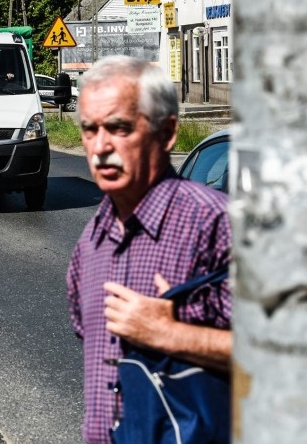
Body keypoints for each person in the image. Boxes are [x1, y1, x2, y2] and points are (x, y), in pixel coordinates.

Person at [66, 55, 232, 444]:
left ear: (167, 132)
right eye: (90, 130)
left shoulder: (216, 225)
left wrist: (170, 334)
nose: (101, 146)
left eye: (119, 128)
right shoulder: (91, 243)